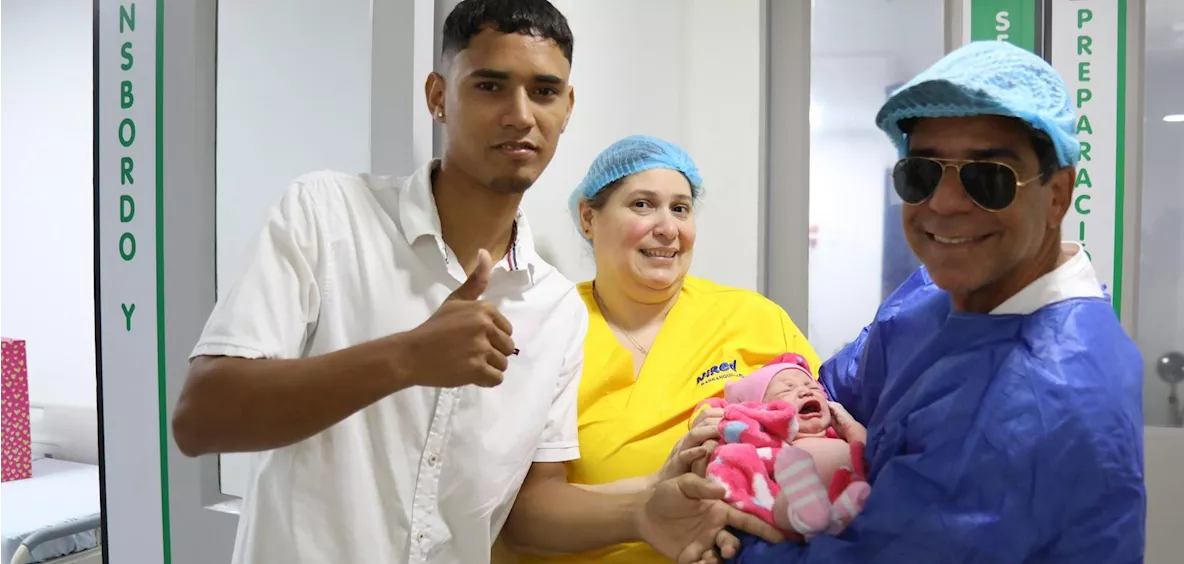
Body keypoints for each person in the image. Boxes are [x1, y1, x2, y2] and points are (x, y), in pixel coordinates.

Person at [173, 2, 768, 563]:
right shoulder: (330, 216)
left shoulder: (554, 308)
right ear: (438, 97)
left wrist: (641, 512)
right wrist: (405, 357)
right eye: (489, 85)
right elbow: (202, 418)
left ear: (566, 109)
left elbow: (532, 505)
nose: (520, 114)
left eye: (544, 92)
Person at [732, 40, 1146, 563]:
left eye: (988, 178)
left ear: (1058, 194)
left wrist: (721, 531)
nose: (944, 204)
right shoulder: (939, 293)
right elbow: (833, 388)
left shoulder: (1043, 402)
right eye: (922, 173)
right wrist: (741, 434)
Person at [506, 135, 813, 564]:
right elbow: (513, 514)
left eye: (681, 208)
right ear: (588, 218)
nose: (667, 228)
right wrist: (647, 499)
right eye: (642, 205)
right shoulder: (547, 329)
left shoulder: (754, 318)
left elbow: (823, 436)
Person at [700, 357, 871, 539]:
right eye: (787, 388)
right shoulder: (774, 442)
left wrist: (850, 425)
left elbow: (870, 453)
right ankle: (804, 516)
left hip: (841, 496)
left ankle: (834, 519)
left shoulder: (839, 435)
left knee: (859, 487)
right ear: (763, 409)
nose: (805, 391)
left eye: (813, 387)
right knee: (783, 499)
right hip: (789, 500)